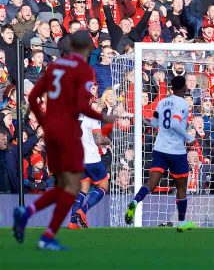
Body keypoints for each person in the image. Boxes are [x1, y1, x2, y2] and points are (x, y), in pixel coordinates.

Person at [13, 30, 116, 251]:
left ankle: (68, 221)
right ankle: (83, 210)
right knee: (103, 183)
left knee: (78, 186)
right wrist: (107, 134)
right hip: (86, 153)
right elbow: (98, 137)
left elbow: (35, 98)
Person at [124, 76, 196, 232]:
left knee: (151, 183)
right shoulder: (182, 103)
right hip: (176, 150)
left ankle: (135, 203)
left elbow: (155, 123)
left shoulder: (162, 102)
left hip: (159, 148)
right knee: (181, 186)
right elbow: (176, 123)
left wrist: (164, 131)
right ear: (183, 88)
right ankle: (182, 223)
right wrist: (189, 137)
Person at [68, 101, 113, 229]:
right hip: (91, 158)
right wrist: (108, 140)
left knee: (84, 188)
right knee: (104, 184)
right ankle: (84, 209)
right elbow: (99, 140)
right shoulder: (92, 118)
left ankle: (72, 222)